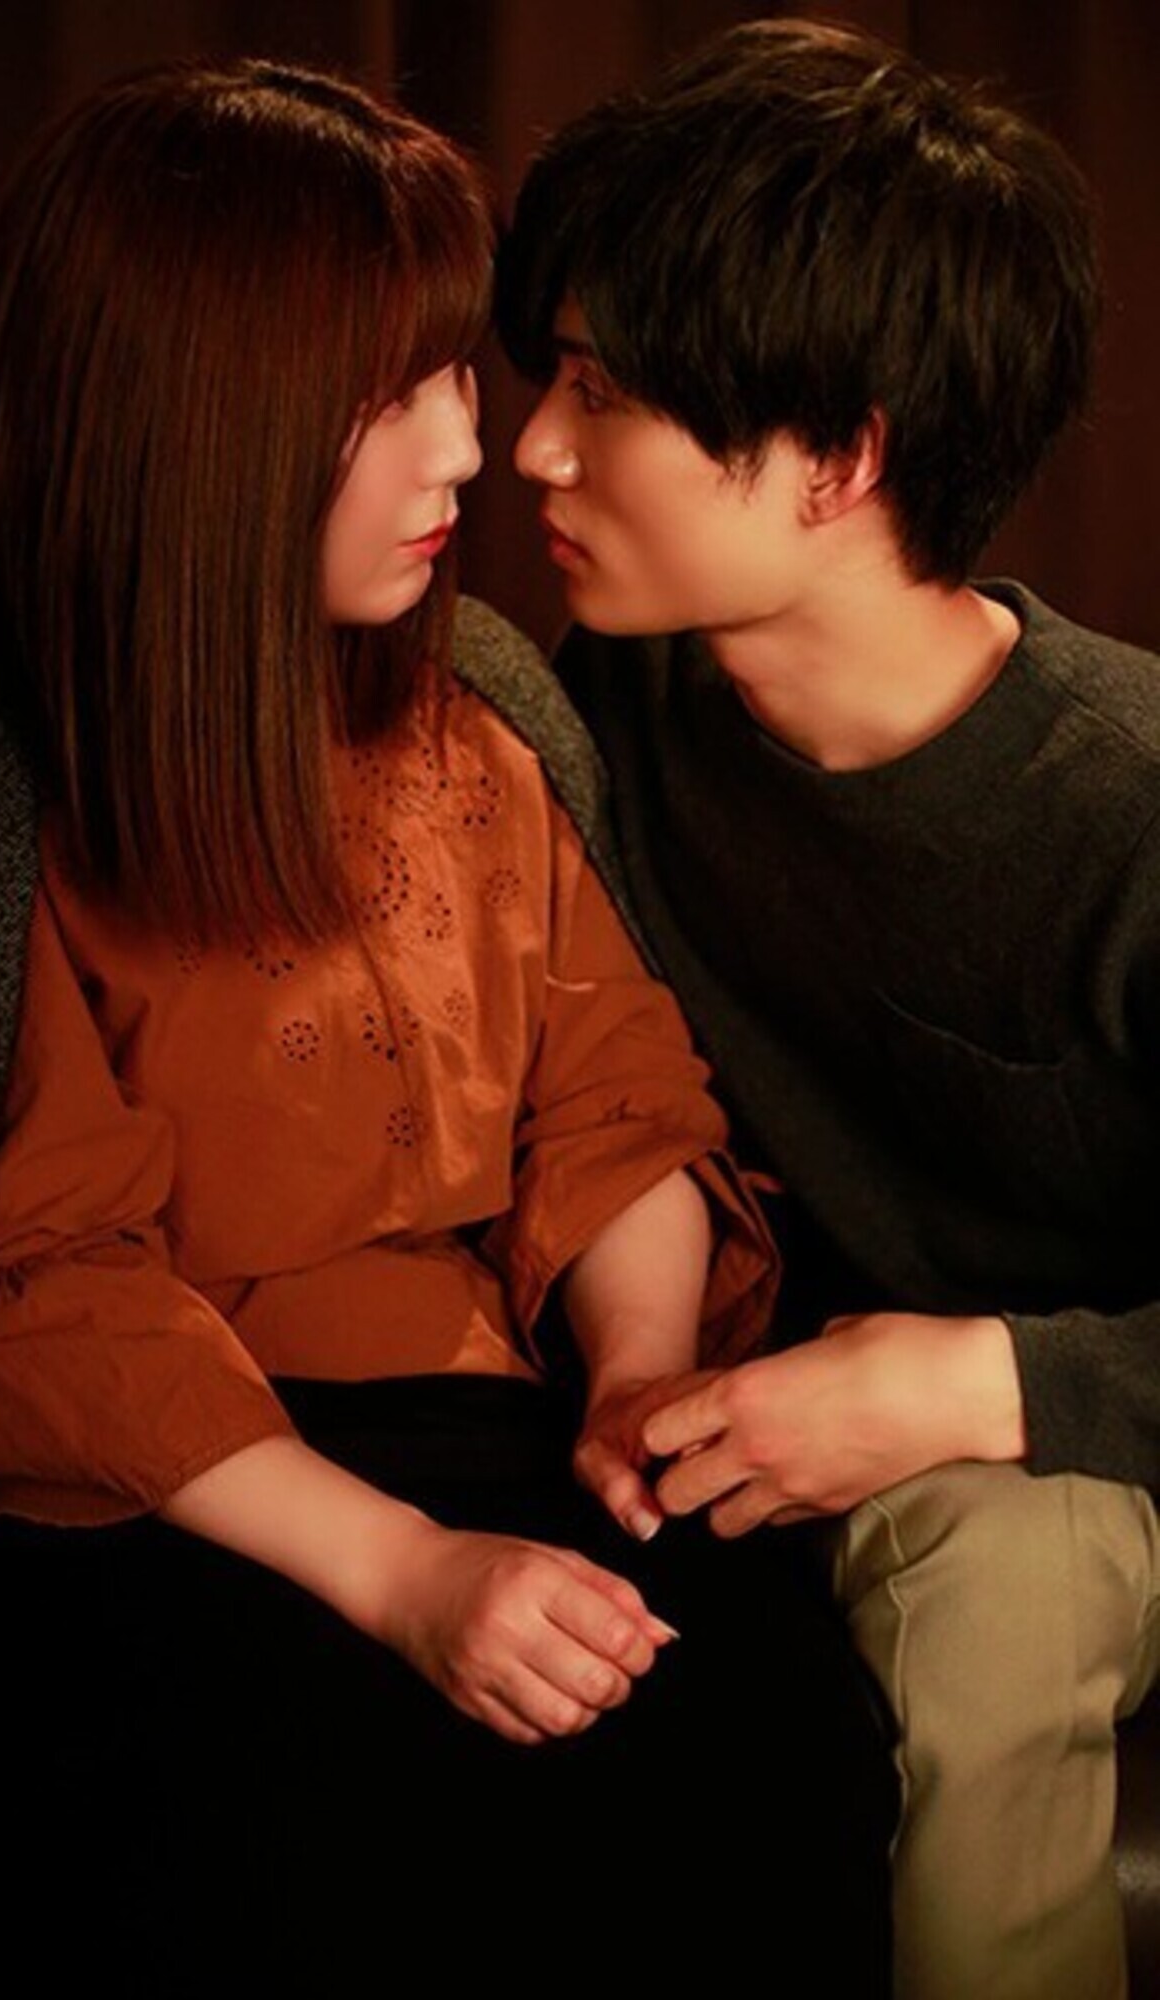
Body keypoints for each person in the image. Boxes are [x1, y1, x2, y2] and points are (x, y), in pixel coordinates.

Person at [0, 55, 895, 2000]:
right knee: (325, 1838)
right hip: (172, 1506)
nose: (468, 452)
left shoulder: (478, 705)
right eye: (387, 396)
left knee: (771, 1738)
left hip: (510, 1417)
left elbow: (610, 1091)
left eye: (452, 378)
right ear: (203, 417)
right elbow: (39, 1287)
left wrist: (636, 1380)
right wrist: (402, 1573)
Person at [498, 17, 1160, 1999]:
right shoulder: (605, 708)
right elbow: (604, 1081)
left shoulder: (1130, 810)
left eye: (603, 391)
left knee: (996, 1571)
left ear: (839, 461)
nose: (534, 447)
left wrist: (970, 1390)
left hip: (1065, 1463)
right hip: (748, 1432)